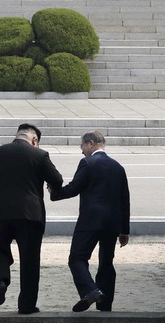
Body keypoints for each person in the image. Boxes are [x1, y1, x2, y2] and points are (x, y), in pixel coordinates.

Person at [0, 123, 63, 314]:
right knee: (30, 260)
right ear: (34, 140)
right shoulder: (39, 155)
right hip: (30, 215)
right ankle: (26, 305)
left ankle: (1, 279)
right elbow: (57, 179)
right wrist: (50, 187)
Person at [50, 130, 130, 312]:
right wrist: (124, 230)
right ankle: (105, 305)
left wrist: (55, 194)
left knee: (77, 257)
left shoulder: (87, 163)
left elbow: (74, 188)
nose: (82, 150)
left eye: (82, 146)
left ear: (91, 143)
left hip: (90, 219)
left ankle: (90, 290)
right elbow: (125, 199)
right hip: (112, 223)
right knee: (106, 262)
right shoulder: (118, 167)